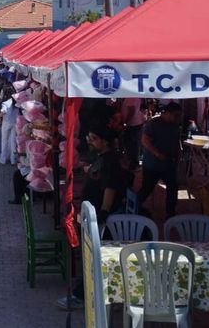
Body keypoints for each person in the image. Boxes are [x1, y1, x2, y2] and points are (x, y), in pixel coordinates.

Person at [56, 125, 132, 311]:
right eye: (89, 137)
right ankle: (88, 293)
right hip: (93, 216)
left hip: (101, 218)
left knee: (92, 256)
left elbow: (110, 188)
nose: (89, 140)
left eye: (94, 138)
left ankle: (82, 296)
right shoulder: (103, 158)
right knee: (89, 256)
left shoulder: (110, 162)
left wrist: (103, 213)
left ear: (105, 142)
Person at [136, 101, 183, 218]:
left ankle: (170, 212)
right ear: (168, 113)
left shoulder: (175, 125)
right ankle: (133, 207)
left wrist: (178, 156)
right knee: (147, 188)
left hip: (169, 163)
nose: (178, 118)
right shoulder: (153, 123)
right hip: (152, 164)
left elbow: (177, 141)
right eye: (176, 115)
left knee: (173, 187)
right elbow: (145, 141)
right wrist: (157, 153)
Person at [121, 97, 146, 169]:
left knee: (132, 145)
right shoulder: (134, 97)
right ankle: (134, 163)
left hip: (133, 124)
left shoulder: (131, 97)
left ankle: (134, 164)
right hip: (135, 123)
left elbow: (132, 111)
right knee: (134, 144)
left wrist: (125, 121)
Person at [0, 86, 18, 166]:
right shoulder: (16, 102)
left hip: (6, 123)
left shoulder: (6, 103)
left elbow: (3, 111)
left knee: (4, 141)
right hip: (15, 123)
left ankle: (3, 159)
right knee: (13, 142)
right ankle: (13, 159)